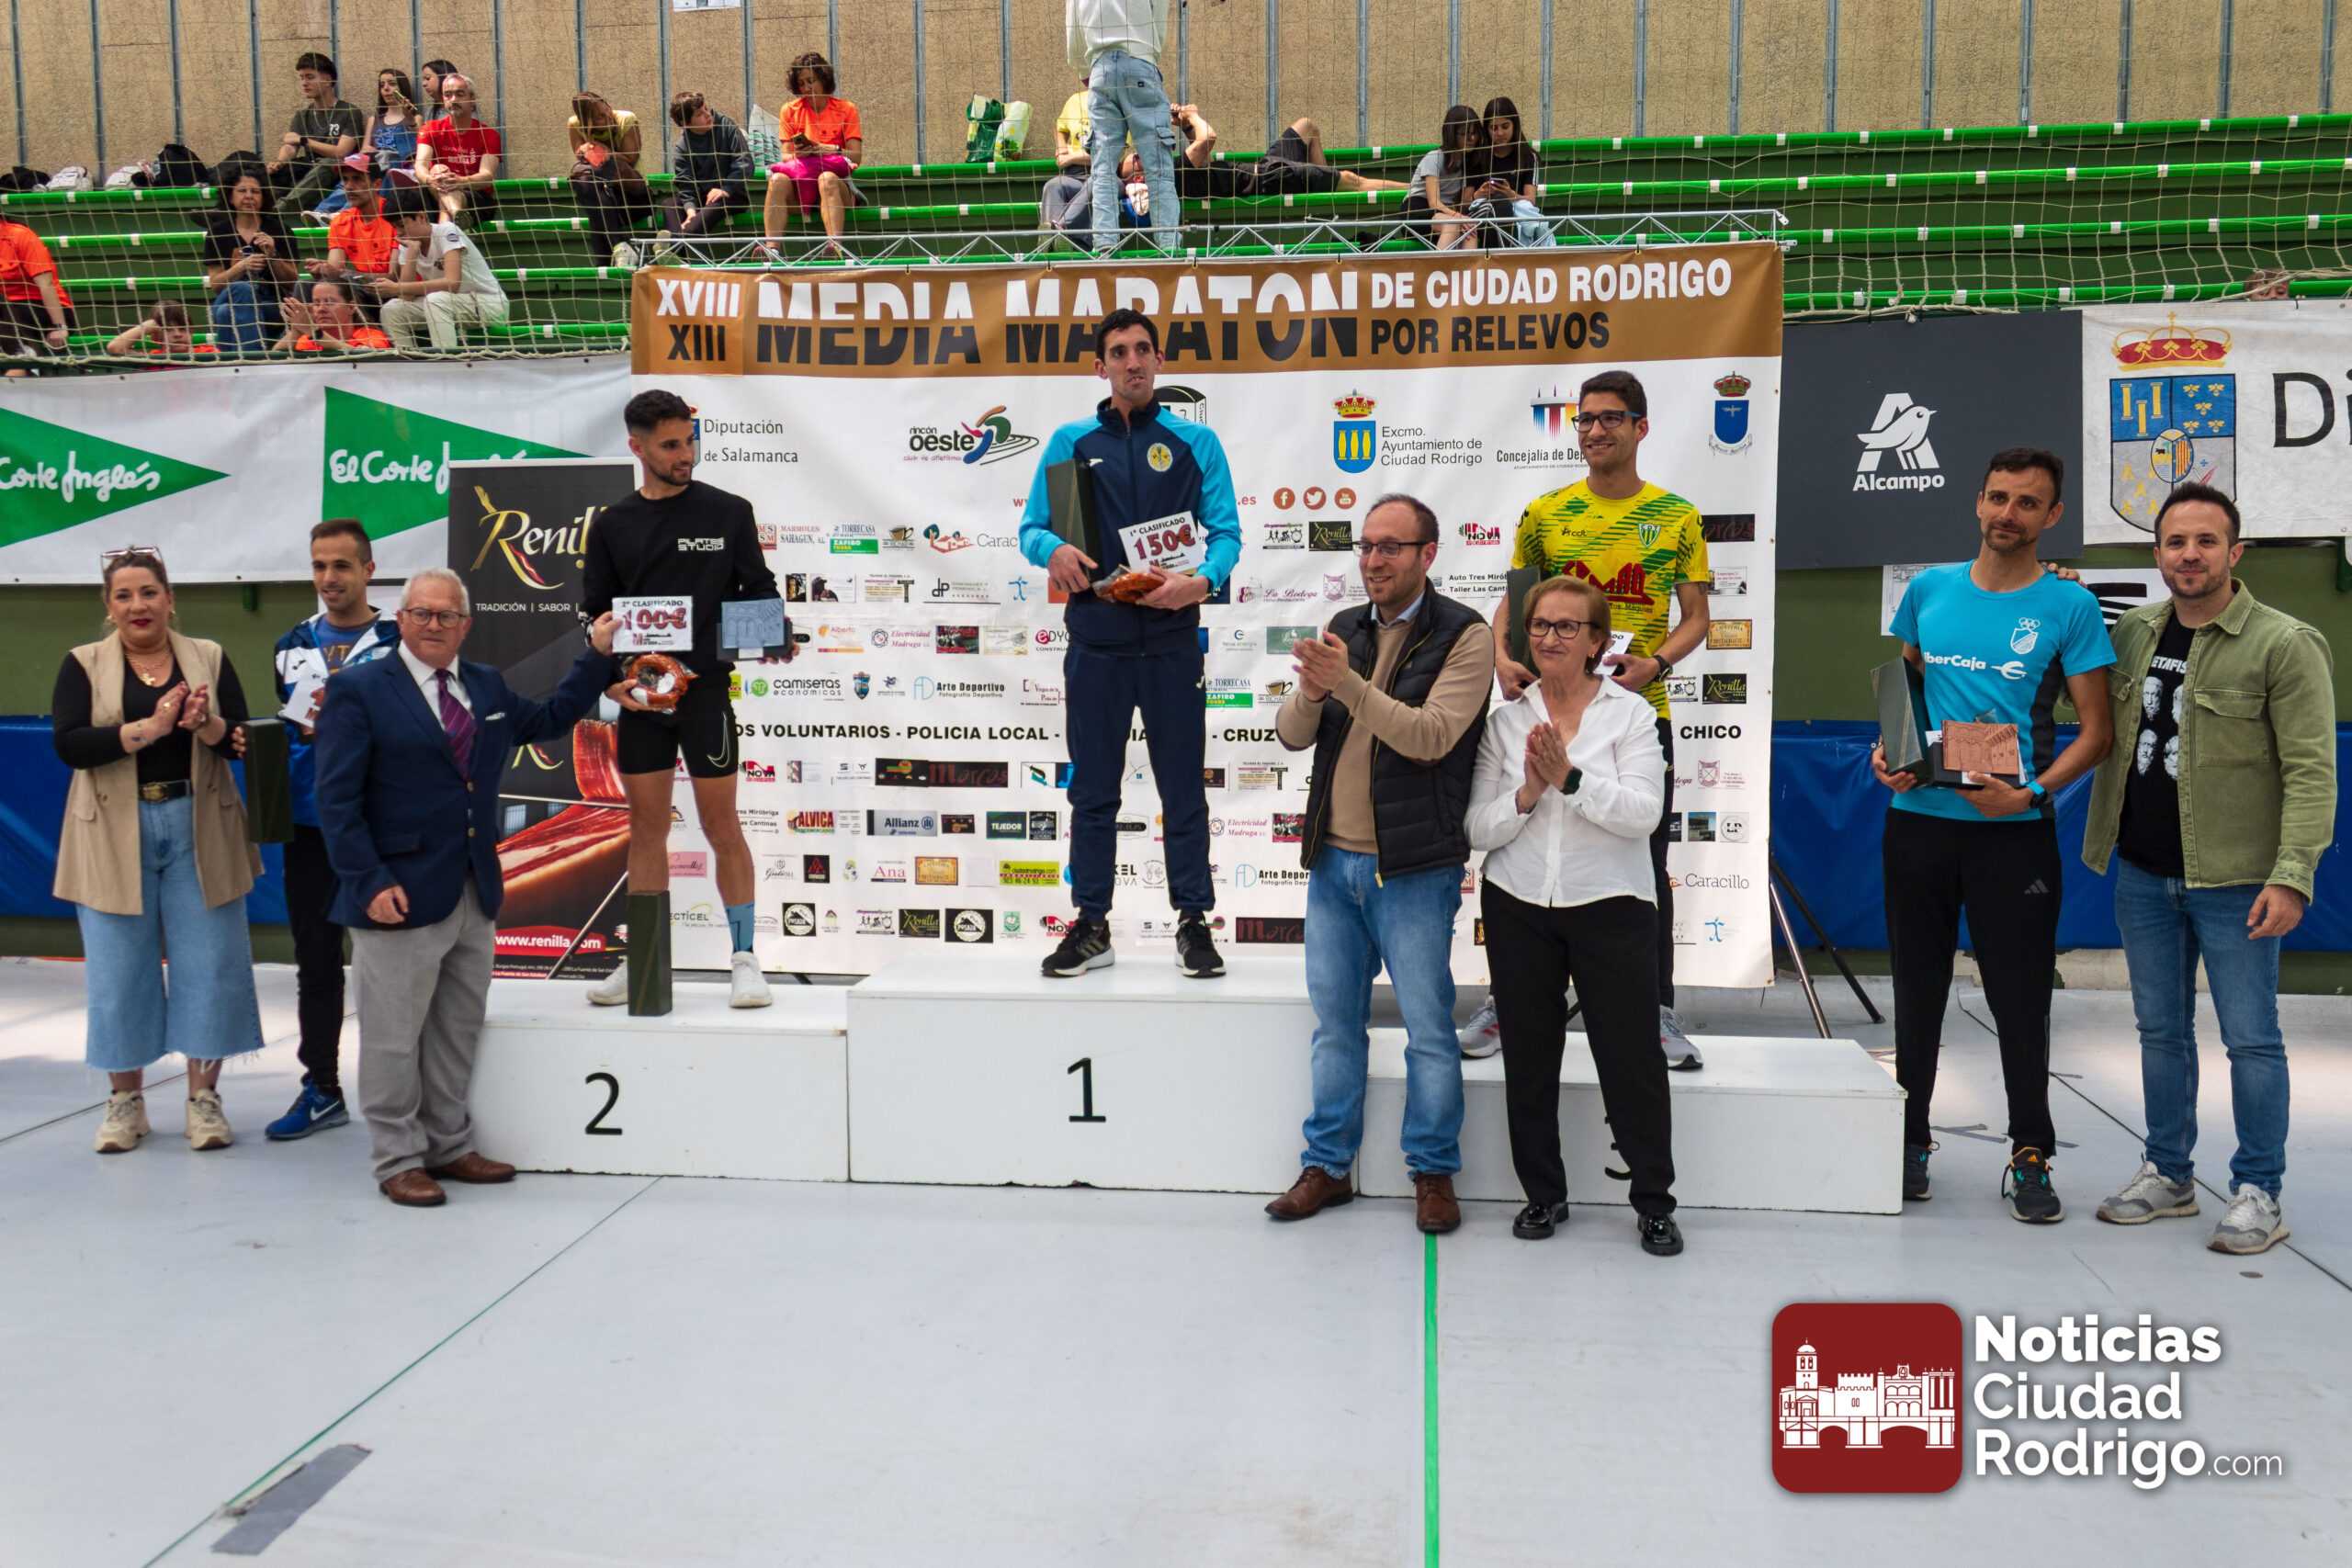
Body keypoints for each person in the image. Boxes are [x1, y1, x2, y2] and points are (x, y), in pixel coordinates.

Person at [2083, 483, 2335, 1255]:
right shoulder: (2133, 632)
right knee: (2160, 1031)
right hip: (2143, 874)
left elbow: (2312, 770)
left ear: (2236, 551)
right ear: (2157, 554)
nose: (2189, 555)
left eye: (2205, 541)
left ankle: (2259, 1189)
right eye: (2175, 542)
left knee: (2251, 1039)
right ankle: (2169, 1173)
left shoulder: (2285, 643)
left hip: (2238, 881)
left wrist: (2291, 874)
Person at [314, 570, 620, 1206]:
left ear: (465, 625)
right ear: (401, 619)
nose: (434, 624)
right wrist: (368, 881)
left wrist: (596, 656)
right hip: (396, 896)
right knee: (393, 1038)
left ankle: (448, 1145)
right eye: (422, 613)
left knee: (456, 1029)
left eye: (446, 615)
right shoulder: (357, 690)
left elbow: (551, 718)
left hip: (473, 890)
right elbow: (337, 801)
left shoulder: (484, 685)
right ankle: (398, 1159)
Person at [1869, 447, 2114, 1221]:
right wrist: (1892, 755)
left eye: (2028, 502)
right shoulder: (1929, 590)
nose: (2009, 513)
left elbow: (2098, 732)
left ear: (2053, 515)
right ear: (1978, 501)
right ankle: (1910, 1141)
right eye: (1999, 497)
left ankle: (2030, 1152)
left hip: (2013, 834)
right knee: (1917, 992)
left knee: (2019, 1000)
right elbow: (1906, 686)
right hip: (1918, 829)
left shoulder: (2069, 605)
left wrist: (2032, 793)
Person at [1266, 495, 1493, 1235]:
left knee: (1429, 1030)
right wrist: (1310, 692)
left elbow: (1430, 737)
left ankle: (1433, 1171)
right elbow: (1293, 735)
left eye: (1391, 546)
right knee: (1335, 1027)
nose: (1373, 560)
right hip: (1332, 863)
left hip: (1414, 869)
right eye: (1366, 545)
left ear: (1429, 554)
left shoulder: (1467, 634)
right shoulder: (1345, 627)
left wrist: (1346, 684)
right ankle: (1326, 1166)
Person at [1471, 369, 1710, 1068]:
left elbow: (1698, 617)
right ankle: (1507, 1001)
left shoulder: (1677, 515)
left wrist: (1655, 664)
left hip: (1634, 713)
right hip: (1546, 710)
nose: (1595, 430)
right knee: (1518, 858)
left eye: (1611, 418)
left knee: (1645, 864)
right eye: (1585, 419)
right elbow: (1513, 602)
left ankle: (1656, 1010)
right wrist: (1502, 657)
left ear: (1641, 427)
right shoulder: (1545, 512)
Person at [1018, 307, 1240, 980]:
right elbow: (1032, 529)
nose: (1133, 362)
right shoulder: (1071, 442)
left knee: (1184, 790)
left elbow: (1226, 534)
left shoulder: (1196, 443)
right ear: (1101, 367)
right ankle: (1091, 923)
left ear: (1160, 361)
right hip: (1098, 645)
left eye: (1143, 349)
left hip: (1172, 644)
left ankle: (1193, 921)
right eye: (1119, 352)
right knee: (1092, 792)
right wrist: (1054, 550)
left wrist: (1199, 582)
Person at [1468, 575, 1680, 1254]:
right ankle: (1543, 1194)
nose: (1550, 637)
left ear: (1597, 642)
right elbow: (1477, 827)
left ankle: (1653, 1202)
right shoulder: (1505, 722)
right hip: (1518, 903)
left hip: (1612, 904)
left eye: (1567, 627)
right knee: (1529, 1058)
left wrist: (1572, 780)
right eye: (1539, 625)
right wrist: (1528, 793)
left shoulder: (1631, 715)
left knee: (1631, 1059)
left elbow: (1644, 814)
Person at [52, 549, 264, 1155]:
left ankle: (204, 1100)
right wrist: (149, 729)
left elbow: (240, 741)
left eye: (148, 592)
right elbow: (70, 745)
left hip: (200, 824)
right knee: (118, 971)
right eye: (123, 595)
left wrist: (204, 724)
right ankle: (126, 1104)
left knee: (211, 963)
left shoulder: (209, 656)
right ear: (108, 606)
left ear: (170, 599)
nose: (137, 605)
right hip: (110, 831)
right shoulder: (82, 663)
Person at [579, 389, 783, 1010]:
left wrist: (771, 633)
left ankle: (745, 959)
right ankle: (643, 956)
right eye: (670, 445)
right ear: (636, 447)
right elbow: (595, 617)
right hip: (641, 704)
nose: (684, 454)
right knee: (645, 830)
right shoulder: (611, 525)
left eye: (689, 441)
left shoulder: (729, 512)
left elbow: (760, 590)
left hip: (707, 697)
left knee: (723, 825)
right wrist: (611, 682)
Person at [264, 519, 402, 1142]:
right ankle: (321, 1087)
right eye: (319, 565)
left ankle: (405, 1094)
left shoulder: (401, 639)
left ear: (369, 570)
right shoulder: (290, 644)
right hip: (310, 827)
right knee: (316, 962)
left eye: (341, 565)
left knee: (392, 966)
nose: (329, 578)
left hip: (382, 827)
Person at [1069, 0, 1180, 254]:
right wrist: (1149, 53)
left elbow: (1073, 32)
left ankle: (1105, 245)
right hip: (1140, 61)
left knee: (1102, 167)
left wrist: (1085, 69)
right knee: (1158, 165)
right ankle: (1169, 247)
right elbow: (1159, 16)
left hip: (1100, 69)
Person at [369, 189, 510, 351]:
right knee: (392, 310)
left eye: (402, 225)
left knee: (436, 300)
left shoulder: (447, 231)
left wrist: (396, 287)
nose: (399, 233)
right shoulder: (407, 244)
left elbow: (452, 283)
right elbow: (406, 296)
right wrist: (412, 253)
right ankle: (408, 359)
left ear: (421, 217)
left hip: (489, 304)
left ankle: (445, 359)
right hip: (449, 305)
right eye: (395, 227)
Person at [1170, 104, 1406, 200]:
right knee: (1353, 181)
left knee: (1307, 126)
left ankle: (1323, 187)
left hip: (1267, 167)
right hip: (1271, 179)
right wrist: (1194, 115)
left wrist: (1187, 126)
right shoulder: (1169, 175)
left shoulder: (1175, 172)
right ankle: (1414, 190)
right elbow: (1208, 138)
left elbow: (1204, 162)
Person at [759, 52, 862, 257]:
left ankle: (835, 247)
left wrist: (825, 149)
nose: (806, 88)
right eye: (801, 83)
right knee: (777, 180)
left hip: (836, 185)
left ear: (824, 78)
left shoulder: (846, 109)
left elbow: (856, 156)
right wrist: (801, 154)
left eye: (811, 81)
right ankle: (772, 249)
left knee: (826, 178)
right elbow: (785, 156)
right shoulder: (789, 110)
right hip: (800, 182)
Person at [202, 167, 299, 355]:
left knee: (225, 312)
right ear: (230, 197)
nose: (249, 196)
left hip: (271, 303)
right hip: (229, 296)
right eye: (242, 191)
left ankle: (231, 361)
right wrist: (240, 267)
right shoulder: (218, 232)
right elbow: (216, 285)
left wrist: (272, 255)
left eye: (255, 191)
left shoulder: (280, 230)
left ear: (263, 197)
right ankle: (255, 357)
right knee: (242, 289)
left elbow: (292, 281)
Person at [266, 51, 363, 220]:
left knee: (328, 163)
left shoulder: (348, 111)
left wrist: (304, 141)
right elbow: (290, 146)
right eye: (302, 78)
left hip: (336, 169)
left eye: (310, 77)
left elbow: (341, 152)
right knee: (269, 172)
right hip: (308, 166)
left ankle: (281, 210)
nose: (304, 83)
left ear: (328, 80)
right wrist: (279, 162)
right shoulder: (302, 115)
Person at [314, 69, 422, 216]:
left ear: (402, 88)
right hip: (375, 163)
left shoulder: (415, 118)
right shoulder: (375, 119)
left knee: (372, 173)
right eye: (382, 85)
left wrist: (409, 117)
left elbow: (419, 144)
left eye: (392, 84)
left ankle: (343, 213)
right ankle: (321, 212)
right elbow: (365, 148)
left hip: (396, 166)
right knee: (352, 175)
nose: (386, 88)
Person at [659, 92, 754, 253]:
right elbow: (685, 184)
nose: (707, 115)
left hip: (730, 195)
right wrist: (691, 211)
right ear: (685, 123)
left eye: (706, 109)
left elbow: (745, 162)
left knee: (698, 220)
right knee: (670, 204)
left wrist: (726, 188)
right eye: (699, 114)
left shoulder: (726, 126)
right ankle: (673, 253)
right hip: (702, 197)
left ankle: (670, 250)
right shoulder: (682, 146)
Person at [569, 90, 650, 268]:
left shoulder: (626, 119)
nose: (607, 116)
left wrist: (602, 150)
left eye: (607, 109)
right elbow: (583, 159)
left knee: (596, 207)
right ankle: (620, 246)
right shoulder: (575, 125)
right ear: (587, 122)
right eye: (599, 117)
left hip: (632, 195)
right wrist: (586, 151)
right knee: (582, 179)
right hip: (603, 197)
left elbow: (631, 159)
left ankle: (605, 261)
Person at [416, 73, 503, 224]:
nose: (453, 99)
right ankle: (458, 217)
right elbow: (420, 166)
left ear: (472, 99)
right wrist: (430, 179)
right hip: (435, 190)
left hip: (475, 197)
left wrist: (460, 181)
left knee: (446, 186)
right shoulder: (430, 128)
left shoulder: (489, 135)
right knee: (438, 169)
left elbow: (487, 176)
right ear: (443, 99)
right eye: (448, 95)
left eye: (460, 94)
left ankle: (451, 224)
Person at [1405, 105, 1487, 250]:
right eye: (1464, 134)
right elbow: (1434, 203)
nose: (1472, 138)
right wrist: (1459, 217)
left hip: (1447, 213)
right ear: (1451, 135)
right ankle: (1439, 265)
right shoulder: (1434, 157)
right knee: (1453, 225)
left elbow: (1463, 203)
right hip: (1418, 210)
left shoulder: (1469, 164)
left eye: (1474, 133)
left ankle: (1467, 266)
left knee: (1470, 229)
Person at [0, 212, 74, 368]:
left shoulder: (20, 235)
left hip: (43, 308)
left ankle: (24, 359)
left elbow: (46, 284)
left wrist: (60, 326)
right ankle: (24, 359)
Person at [277, 277, 392, 352]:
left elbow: (366, 360)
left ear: (351, 307)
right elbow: (274, 360)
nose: (321, 309)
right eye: (316, 303)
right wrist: (297, 329)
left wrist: (316, 333)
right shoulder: (307, 339)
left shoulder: (372, 336)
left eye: (329, 303)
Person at [105, 299, 214, 360]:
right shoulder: (153, 358)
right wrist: (147, 326)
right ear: (155, 336)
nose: (177, 334)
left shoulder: (208, 353)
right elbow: (115, 348)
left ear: (191, 332)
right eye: (168, 329)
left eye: (183, 329)